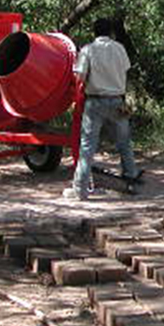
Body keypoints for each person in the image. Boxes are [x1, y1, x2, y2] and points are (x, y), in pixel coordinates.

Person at [63, 18, 140, 200]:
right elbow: (126, 70)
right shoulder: (120, 48)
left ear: (94, 32)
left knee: (88, 146)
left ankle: (80, 190)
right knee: (124, 142)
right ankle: (130, 179)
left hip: (95, 102)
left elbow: (79, 77)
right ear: (111, 32)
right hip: (118, 102)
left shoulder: (88, 50)